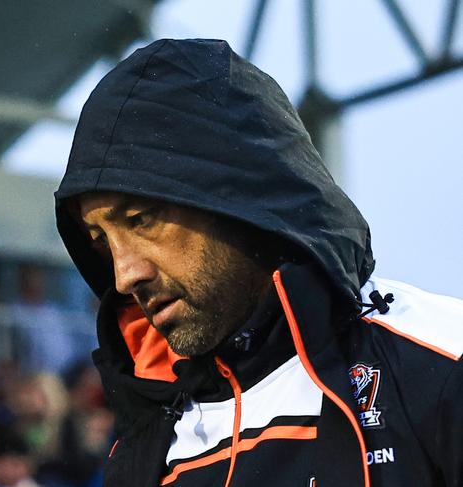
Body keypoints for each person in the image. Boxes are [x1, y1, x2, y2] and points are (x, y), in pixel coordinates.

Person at [53, 38, 463, 486]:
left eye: (141, 219)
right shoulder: (145, 449)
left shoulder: (441, 360)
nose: (124, 275)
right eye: (101, 242)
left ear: (236, 195)